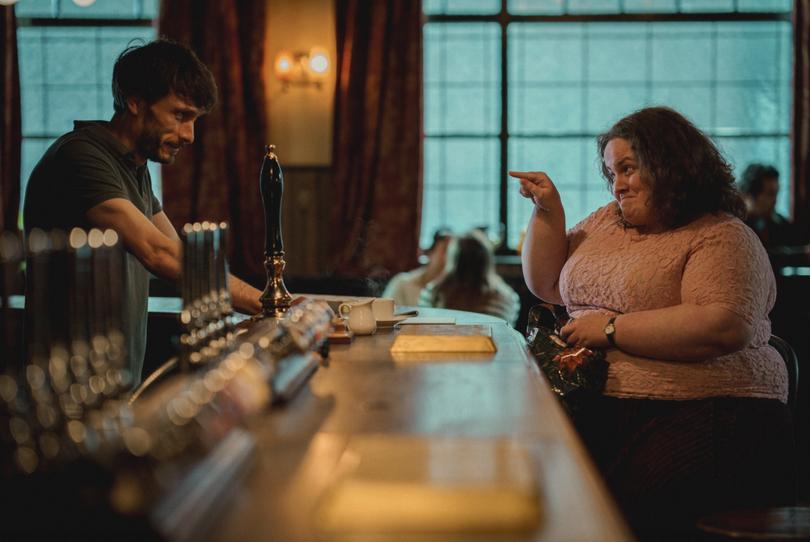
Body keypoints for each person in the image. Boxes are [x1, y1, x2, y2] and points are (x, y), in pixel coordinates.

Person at [511, 107, 794, 540]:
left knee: (619, 517)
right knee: (532, 492)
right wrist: (548, 212)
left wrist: (609, 330)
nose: (618, 183)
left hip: (707, 409)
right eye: (611, 172)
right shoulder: (606, 221)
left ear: (671, 165)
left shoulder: (721, 235)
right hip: (601, 402)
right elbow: (547, 284)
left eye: (628, 168)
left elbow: (723, 324)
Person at [23, 39, 262, 384]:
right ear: (134, 101)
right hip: (69, 391)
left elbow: (183, 253)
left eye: (194, 120)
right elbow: (158, 252)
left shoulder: (134, 167)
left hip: (115, 383)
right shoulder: (81, 157)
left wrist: (266, 298)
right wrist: (265, 303)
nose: (189, 135)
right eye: (180, 115)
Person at [418, 229, 520, 326]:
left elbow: (427, 328)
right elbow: (505, 335)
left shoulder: (432, 294)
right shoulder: (507, 298)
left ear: (452, 259)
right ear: (487, 260)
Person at [738, 163, 809, 261]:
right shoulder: (738, 226)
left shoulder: (777, 222)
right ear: (750, 195)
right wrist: (801, 254)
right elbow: (761, 256)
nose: (775, 201)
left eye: (776, 194)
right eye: (770, 194)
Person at [382, 228, 452, 307]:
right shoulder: (403, 283)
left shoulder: (453, 292)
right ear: (430, 253)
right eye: (445, 251)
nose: (450, 258)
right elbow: (384, 313)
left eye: (453, 253)